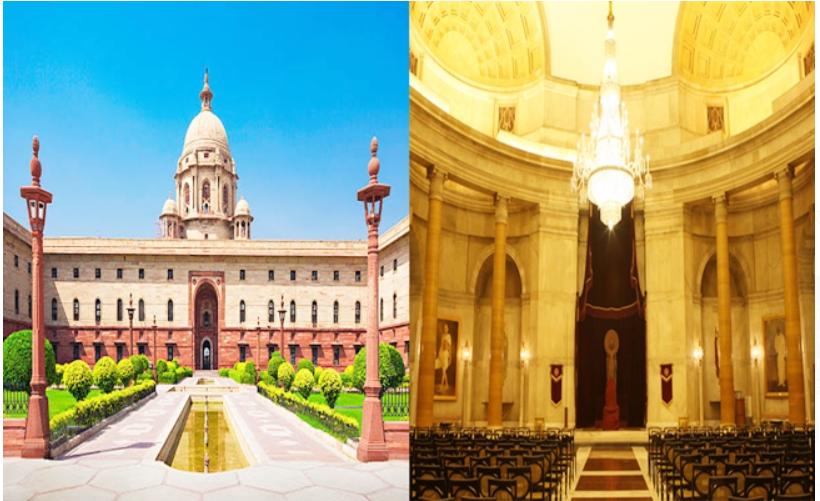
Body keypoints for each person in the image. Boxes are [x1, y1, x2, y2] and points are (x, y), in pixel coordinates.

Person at [438, 323, 452, 392]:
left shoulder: (449, 336)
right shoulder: (442, 336)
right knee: (444, 370)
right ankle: (446, 385)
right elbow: (441, 345)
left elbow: (450, 347)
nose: (445, 329)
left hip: (446, 354)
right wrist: (439, 353)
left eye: (446, 328)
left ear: (448, 329)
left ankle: (441, 386)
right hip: (442, 354)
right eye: (444, 328)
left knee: (444, 370)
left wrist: (450, 357)